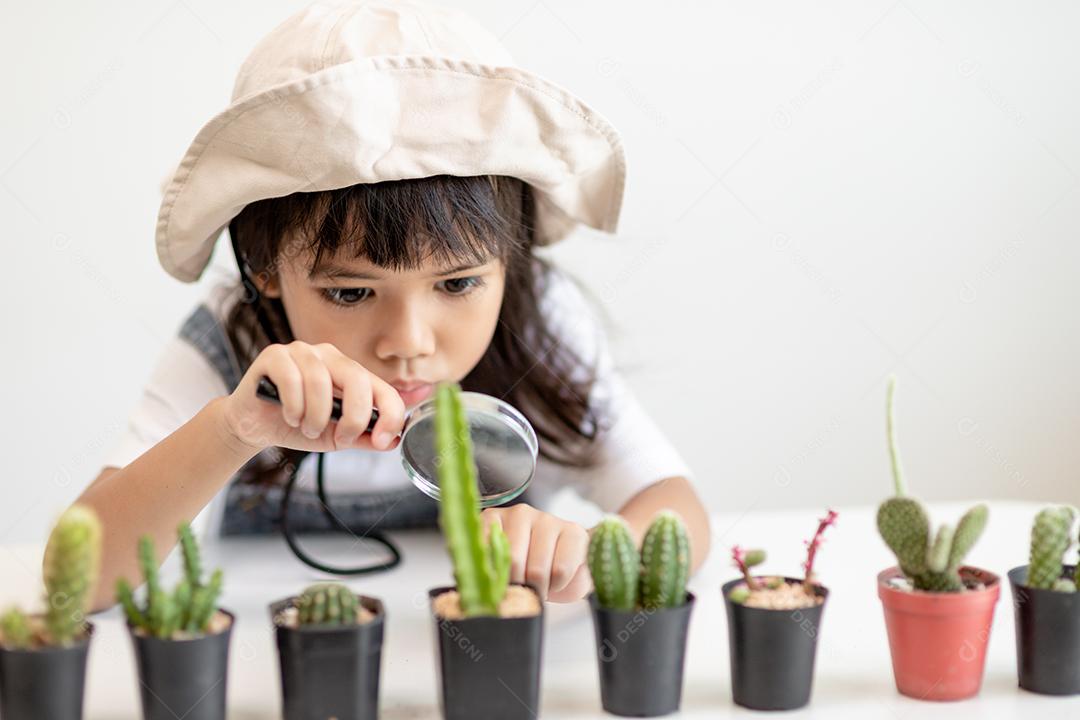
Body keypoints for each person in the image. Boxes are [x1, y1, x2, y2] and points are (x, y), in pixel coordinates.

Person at [74, 0, 711, 612]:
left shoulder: (543, 320)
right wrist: (231, 431)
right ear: (263, 270)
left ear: (511, 261)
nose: (408, 342)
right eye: (350, 292)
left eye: (458, 284)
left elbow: (674, 505)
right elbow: (76, 582)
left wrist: (596, 553)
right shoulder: (229, 341)